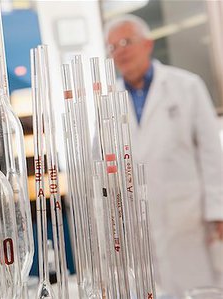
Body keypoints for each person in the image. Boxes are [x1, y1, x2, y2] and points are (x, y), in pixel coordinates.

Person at [105, 14, 223, 295]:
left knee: (200, 289)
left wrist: (218, 211)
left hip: (189, 215)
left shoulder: (187, 86)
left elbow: (211, 153)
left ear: (148, 44)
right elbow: (105, 159)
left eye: (125, 41)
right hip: (139, 223)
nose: (120, 50)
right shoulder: (109, 102)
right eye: (112, 46)